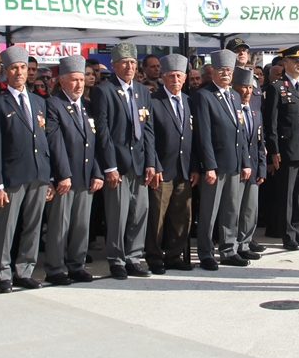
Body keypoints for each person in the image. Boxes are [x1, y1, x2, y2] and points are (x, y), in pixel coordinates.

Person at [0, 46, 52, 293]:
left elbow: (45, 139)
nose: (19, 72)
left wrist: (50, 175)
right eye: (14, 68)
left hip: (39, 172)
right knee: (7, 226)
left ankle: (25, 269)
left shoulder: (38, 102)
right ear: (6, 71)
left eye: (23, 67)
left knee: (33, 225)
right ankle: (2, 272)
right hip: (12, 174)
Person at [92, 42, 157, 279]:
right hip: (118, 163)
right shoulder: (104, 91)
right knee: (118, 213)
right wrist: (109, 166)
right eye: (124, 63)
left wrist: (151, 162)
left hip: (139, 163)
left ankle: (133, 257)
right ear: (114, 65)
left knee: (140, 211)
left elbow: (148, 129)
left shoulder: (141, 91)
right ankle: (116, 259)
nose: (129, 67)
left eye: (132, 62)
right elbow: (103, 131)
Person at [43, 55, 102, 285]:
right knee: (59, 225)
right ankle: (55, 268)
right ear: (62, 81)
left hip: (86, 176)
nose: (79, 85)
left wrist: (97, 172)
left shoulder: (86, 106)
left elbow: (93, 142)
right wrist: (63, 175)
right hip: (65, 177)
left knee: (81, 225)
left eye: (81, 80)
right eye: (74, 80)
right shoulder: (53, 105)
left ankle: (76, 265)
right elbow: (55, 143)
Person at [190, 49, 249, 271]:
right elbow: (203, 135)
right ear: (212, 71)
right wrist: (209, 166)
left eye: (229, 70)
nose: (226, 74)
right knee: (209, 211)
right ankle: (206, 252)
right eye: (221, 70)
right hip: (215, 164)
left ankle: (228, 249)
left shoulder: (234, 95)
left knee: (231, 209)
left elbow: (240, 131)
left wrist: (244, 162)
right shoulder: (203, 96)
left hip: (233, 162)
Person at [262, 45, 299, 251]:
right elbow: (272, 122)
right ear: (285, 63)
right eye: (295, 61)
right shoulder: (278, 87)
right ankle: (288, 235)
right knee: (287, 194)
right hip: (287, 149)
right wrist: (274, 150)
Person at [146, 54, 194, 273]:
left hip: (184, 168)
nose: (176, 79)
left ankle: (174, 255)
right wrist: (154, 165)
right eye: (171, 75)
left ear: (184, 78)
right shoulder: (153, 101)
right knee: (157, 216)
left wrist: (195, 167)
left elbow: (194, 136)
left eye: (179, 75)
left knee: (182, 214)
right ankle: (154, 256)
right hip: (162, 169)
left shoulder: (188, 101)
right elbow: (149, 137)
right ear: (163, 77)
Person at [232, 66, 266, 263]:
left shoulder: (254, 111)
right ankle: (232, 245)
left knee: (250, 208)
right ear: (235, 88)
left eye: (250, 88)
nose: (247, 92)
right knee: (234, 209)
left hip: (253, 167)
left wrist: (261, 167)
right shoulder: (232, 109)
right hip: (237, 167)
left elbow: (260, 142)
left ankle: (245, 243)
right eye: (243, 87)